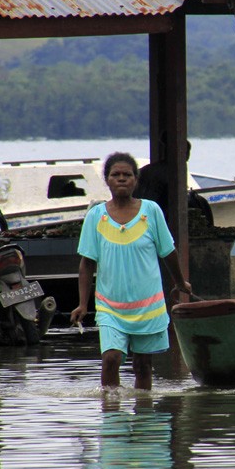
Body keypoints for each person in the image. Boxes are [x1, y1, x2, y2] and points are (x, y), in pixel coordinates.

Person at [70, 152, 192, 391]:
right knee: (111, 358)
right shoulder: (96, 216)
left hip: (148, 304)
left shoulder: (151, 211)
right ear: (107, 180)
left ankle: (144, 418)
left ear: (136, 180)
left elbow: (168, 252)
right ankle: (112, 419)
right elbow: (86, 264)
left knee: (143, 365)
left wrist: (180, 282)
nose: (122, 179)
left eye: (127, 174)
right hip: (110, 306)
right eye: (116, 175)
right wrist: (83, 304)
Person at [135, 140, 214, 227]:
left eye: (188, 152)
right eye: (185, 152)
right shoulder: (169, 170)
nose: (187, 155)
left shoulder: (153, 169)